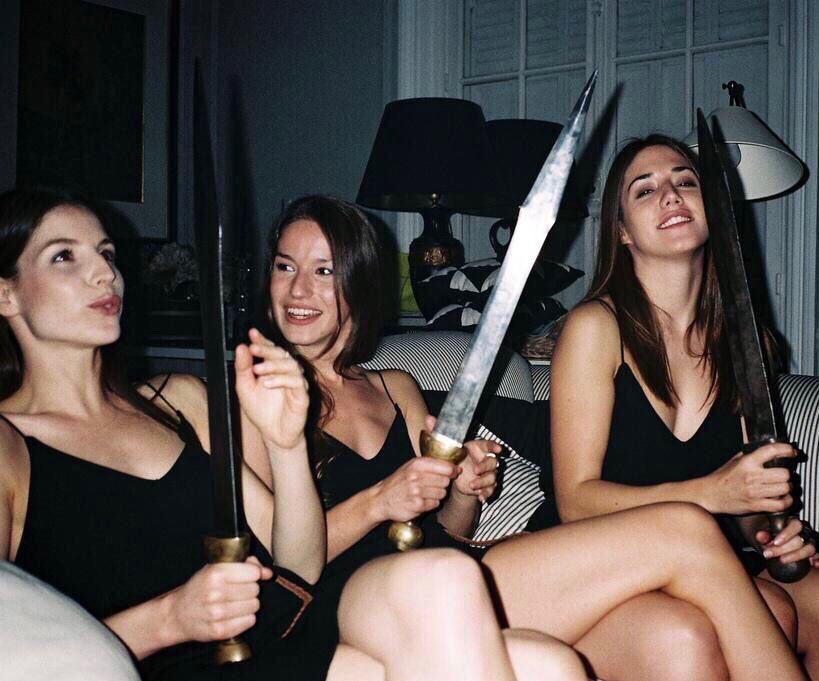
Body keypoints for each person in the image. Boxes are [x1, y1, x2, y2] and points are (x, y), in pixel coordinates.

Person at [0, 187, 587, 681]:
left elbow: (293, 567)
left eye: (106, 253)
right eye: (63, 257)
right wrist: (167, 619)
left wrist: (286, 444)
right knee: (451, 586)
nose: (104, 272)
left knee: (551, 666)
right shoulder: (9, 446)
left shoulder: (178, 401)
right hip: (186, 661)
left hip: (278, 643)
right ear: (5, 292)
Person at [250, 193, 810, 681]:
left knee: (680, 640)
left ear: (357, 281)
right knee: (684, 526)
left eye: (324, 270)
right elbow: (283, 563)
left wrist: (463, 488)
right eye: (284, 266)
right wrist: (380, 501)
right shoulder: (252, 404)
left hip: (456, 569)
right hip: (361, 601)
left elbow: (447, 528)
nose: (299, 288)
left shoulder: (395, 387)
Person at [550, 134, 819, 679]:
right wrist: (711, 493)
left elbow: (741, 500)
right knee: (765, 612)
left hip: (704, 561)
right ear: (622, 231)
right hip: (602, 564)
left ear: (713, 208)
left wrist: (770, 530)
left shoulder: (743, 343)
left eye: (686, 181)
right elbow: (575, 501)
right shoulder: (595, 328)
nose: (671, 195)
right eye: (645, 190)